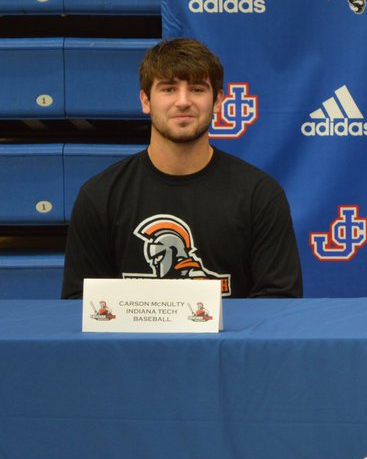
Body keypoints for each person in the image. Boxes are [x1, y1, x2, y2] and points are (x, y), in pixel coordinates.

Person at [61, 38, 303, 299]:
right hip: (132, 342)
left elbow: (279, 301)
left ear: (218, 100)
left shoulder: (260, 196)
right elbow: (82, 304)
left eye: (198, 89)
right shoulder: (100, 196)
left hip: (227, 342)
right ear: (145, 100)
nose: (183, 101)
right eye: (168, 89)